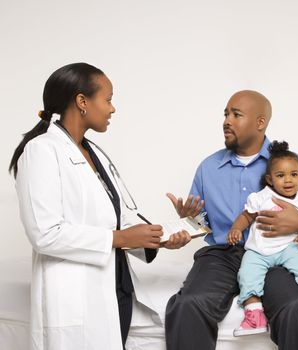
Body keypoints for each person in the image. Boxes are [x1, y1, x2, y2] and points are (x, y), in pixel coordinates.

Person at [9, 62, 190, 350]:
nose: (112, 108)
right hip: (74, 298)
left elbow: (119, 219)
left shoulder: (95, 153)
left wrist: (159, 238)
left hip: (115, 288)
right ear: (82, 101)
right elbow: (44, 232)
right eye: (108, 99)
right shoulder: (42, 150)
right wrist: (118, 239)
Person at [165, 90, 298, 350]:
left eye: (236, 114)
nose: (226, 121)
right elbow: (201, 226)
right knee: (189, 304)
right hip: (223, 255)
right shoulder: (208, 168)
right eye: (225, 114)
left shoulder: (294, 167)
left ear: (260, 122)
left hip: (279, 253)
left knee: (295, 308)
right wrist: (189, 221)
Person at [227, 140, 298, 337]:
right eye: (280, 175)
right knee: (247, 275)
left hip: (289, 247)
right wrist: (236, 228)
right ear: (269, 179)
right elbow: (246, 216)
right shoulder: (261, 197)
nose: (288, 180)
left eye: (293, 175)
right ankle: (254, 314)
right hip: (259, 250)